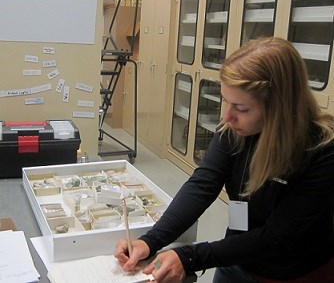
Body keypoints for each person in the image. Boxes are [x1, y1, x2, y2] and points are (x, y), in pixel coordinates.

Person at [114, 37, 334, 282]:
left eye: (241, 108)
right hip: (235, 259)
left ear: (279, 108)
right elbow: (203, 184)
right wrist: (151, 240)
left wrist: (188, 257)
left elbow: (278, 236)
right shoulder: (234, 131)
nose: (227, 116)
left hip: (290, 272)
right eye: (226, 101)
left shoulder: (322, 151)